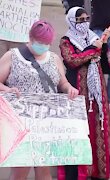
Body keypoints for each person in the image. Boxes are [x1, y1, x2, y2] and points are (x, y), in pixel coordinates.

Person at [0, 20, 79, 180]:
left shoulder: (54, 58)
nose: (43, 45)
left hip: (46, 121)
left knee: (44, 169)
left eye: (46, 43)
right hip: (21, 121)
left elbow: (62, 82)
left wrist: (69, 88)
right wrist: (8, 90)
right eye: (40, 42)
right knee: (20, 171)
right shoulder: (13, 56)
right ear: (30, 37)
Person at [58, 7, 110, 180]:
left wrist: (104, 47)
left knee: (97, 127)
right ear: (72, 21)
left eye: (86, 19)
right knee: (80, 130)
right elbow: (72, 60)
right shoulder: (66, 40)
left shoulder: (94, 37)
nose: (84, 23)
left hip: (96, 93)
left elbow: (108, 66)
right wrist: (93, 49)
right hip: (76, 91)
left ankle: (98, 170)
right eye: (80, 20)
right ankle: (80, 172)